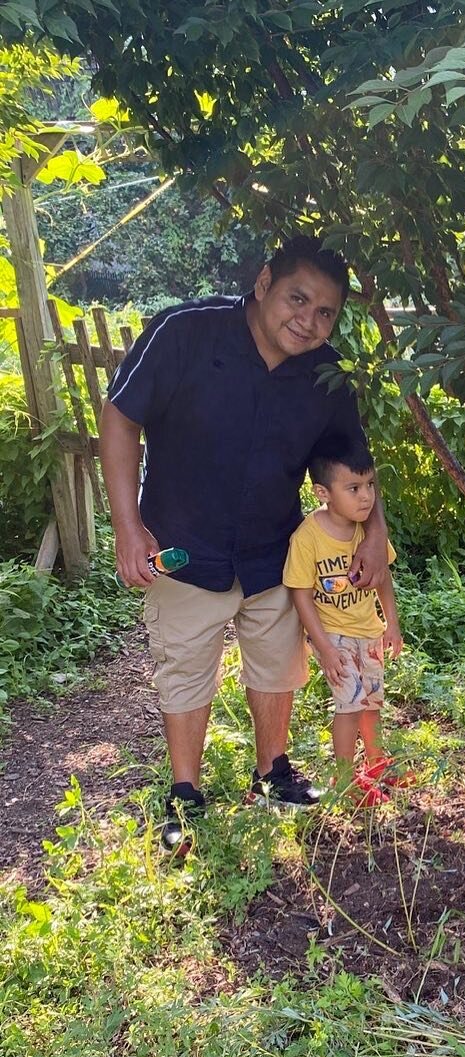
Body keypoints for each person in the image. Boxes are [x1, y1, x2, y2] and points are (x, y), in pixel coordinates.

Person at [101, 234, 402, 852]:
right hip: (183, 548)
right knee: (184, 668)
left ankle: (273, 774)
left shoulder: (326, 374)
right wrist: (128, 527)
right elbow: (120, 416)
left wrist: (374, 532)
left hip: (273, 550)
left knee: (277, 665)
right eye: (298, 299)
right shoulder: (184, 333)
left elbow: (354, 463)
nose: (309, 321)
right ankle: (185, 795)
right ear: (264, 283)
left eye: (326, 313)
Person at [283, 436, 402, 806]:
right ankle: (346, 779)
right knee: (349, 706)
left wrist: (392, 624)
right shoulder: (308, 537)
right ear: (322, 492)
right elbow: (300, 593)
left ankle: (377, 764)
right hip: (334, 636)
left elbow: (382, 575)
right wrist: (323, 647)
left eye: (369, 485)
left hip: (369, 631)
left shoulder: (369, 531)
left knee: (372, 703)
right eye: (353, 488)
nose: (366, 497)